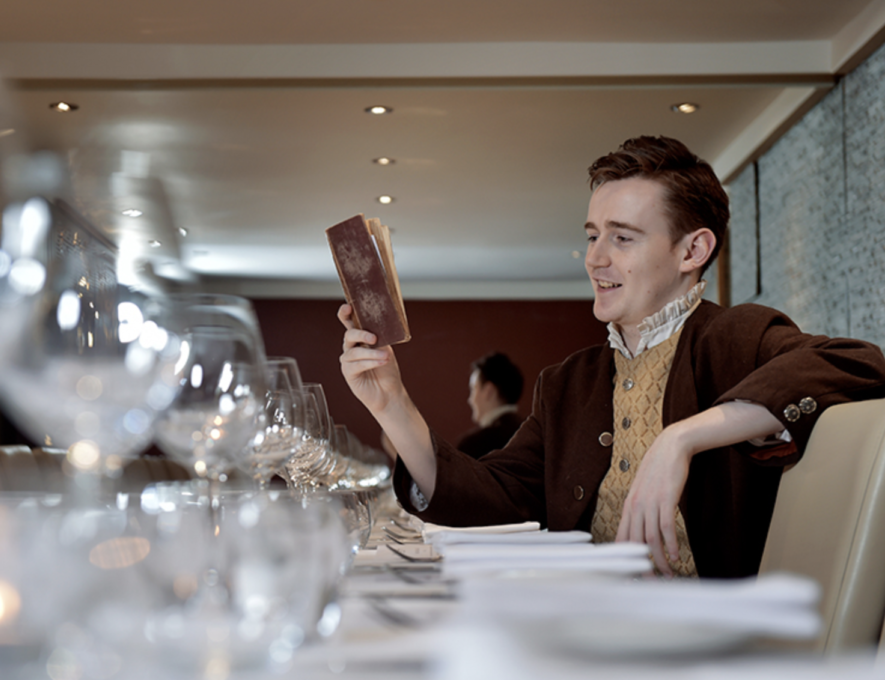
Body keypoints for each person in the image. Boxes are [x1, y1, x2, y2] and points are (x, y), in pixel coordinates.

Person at [338, 135, 885, 578]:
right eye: (593, 235)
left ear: (693, 251)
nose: (595, 259)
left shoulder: (734, 337)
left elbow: (860, 363)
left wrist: (684, 437)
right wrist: (393, 404)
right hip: (591, 633)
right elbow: (492, 496)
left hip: (714, 649)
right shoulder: (569, 382)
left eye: (622, 239)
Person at [457, 352, 524, 459]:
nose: (470, 400)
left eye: (473, 389)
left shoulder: (473, 446)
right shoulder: (533, 436)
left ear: (489, 391)